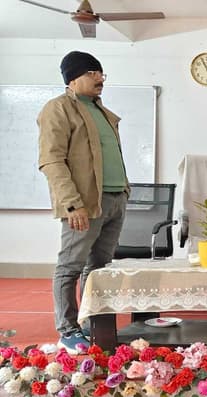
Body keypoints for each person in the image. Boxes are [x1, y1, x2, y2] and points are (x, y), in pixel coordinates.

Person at [38, 51, 129, 354]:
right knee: (71, 266)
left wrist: (124, 192)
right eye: (92, 73)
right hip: (84, 204)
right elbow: (51, 160)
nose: (100, 78)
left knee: (98, 268)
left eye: (101, 73)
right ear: (72, 78)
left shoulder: (101, 110)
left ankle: (91, 324)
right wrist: (71, 204)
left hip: (115, 199)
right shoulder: (58, 109)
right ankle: (67, 330)